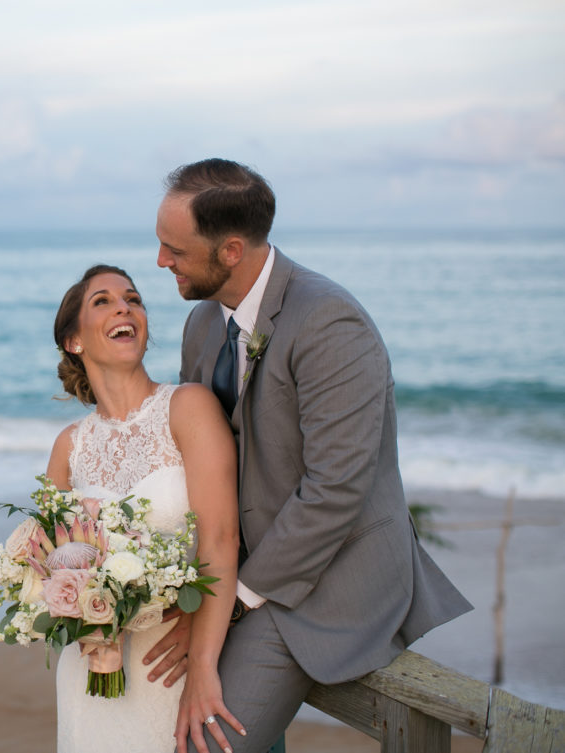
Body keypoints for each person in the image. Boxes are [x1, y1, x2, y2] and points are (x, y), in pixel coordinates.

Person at [143, 158, 473, 753]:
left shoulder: (329, 322)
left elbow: (335, 491)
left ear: (232, 251)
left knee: (203, 744)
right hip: (236, 565)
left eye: (175, 249)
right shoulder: (200, 324)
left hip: (326, 578)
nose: (161, 261)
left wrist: (232, 598)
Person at [45, 264, 244, 753]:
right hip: (89, 671)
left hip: (171, 665)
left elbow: (221, 540)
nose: (124, 307)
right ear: (75, 341)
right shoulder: (68, 447)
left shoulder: (188, 408)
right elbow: (49, 562)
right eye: (104, 300)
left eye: (133, 299)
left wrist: (202, 665)